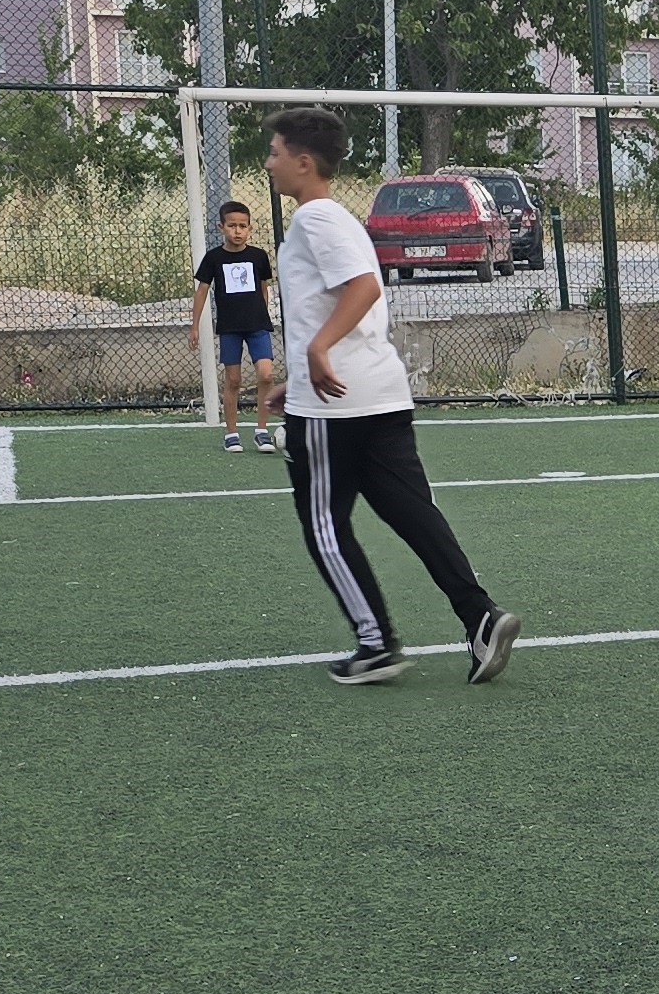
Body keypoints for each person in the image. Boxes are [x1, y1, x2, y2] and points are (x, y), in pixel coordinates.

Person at [262, 105, 520, 688]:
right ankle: (481, 616)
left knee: (323, 525)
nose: (269, 162)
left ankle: (375, 645)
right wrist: (299, 372)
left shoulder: (315, 221)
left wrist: (316, 354)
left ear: (304, 163)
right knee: (413, 514)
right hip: (378, 392)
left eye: (276, 153)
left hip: (337, 405)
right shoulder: (343, 221)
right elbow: (343, 302)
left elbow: (362, 288)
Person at [191, 199, 281, 452]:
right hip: (230, 327)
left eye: (243, 226)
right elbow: (202, 292)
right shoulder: (214, 258)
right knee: (233, 380)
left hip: (258, 326)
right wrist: (195, 325)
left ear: (250, 228)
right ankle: (231, 432)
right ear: (221, 227)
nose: (238, 231)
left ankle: (262, 430)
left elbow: (264, 289)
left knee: (266, 374)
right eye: (232, 226)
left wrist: (262, 315)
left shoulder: (258, 256)